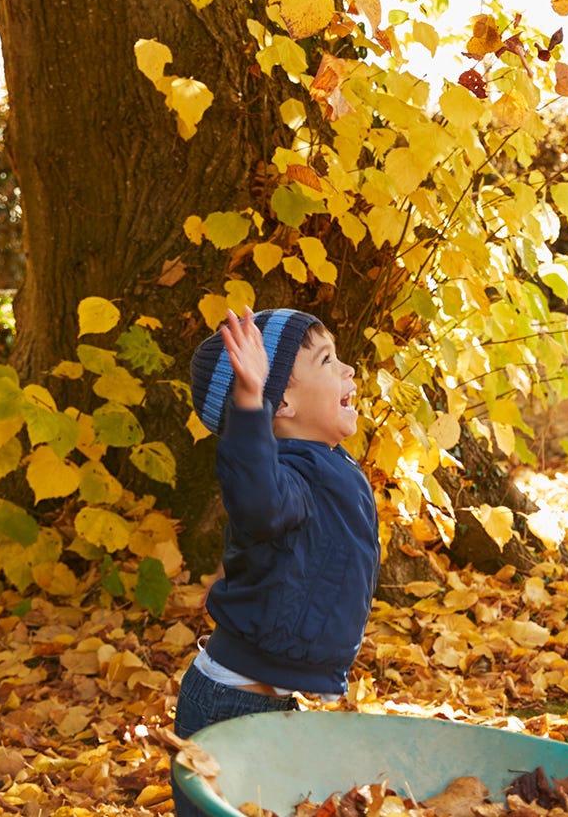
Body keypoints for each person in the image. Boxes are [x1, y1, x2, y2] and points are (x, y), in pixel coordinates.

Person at [172, 308, 377, 817]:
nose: (349, 370)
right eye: (328, 361)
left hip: (264, 697)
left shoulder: (321, 464)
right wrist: (248, 401)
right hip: (231, 703)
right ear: (280, 401)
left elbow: (264, 540)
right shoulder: (285, 476)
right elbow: (256, 496)